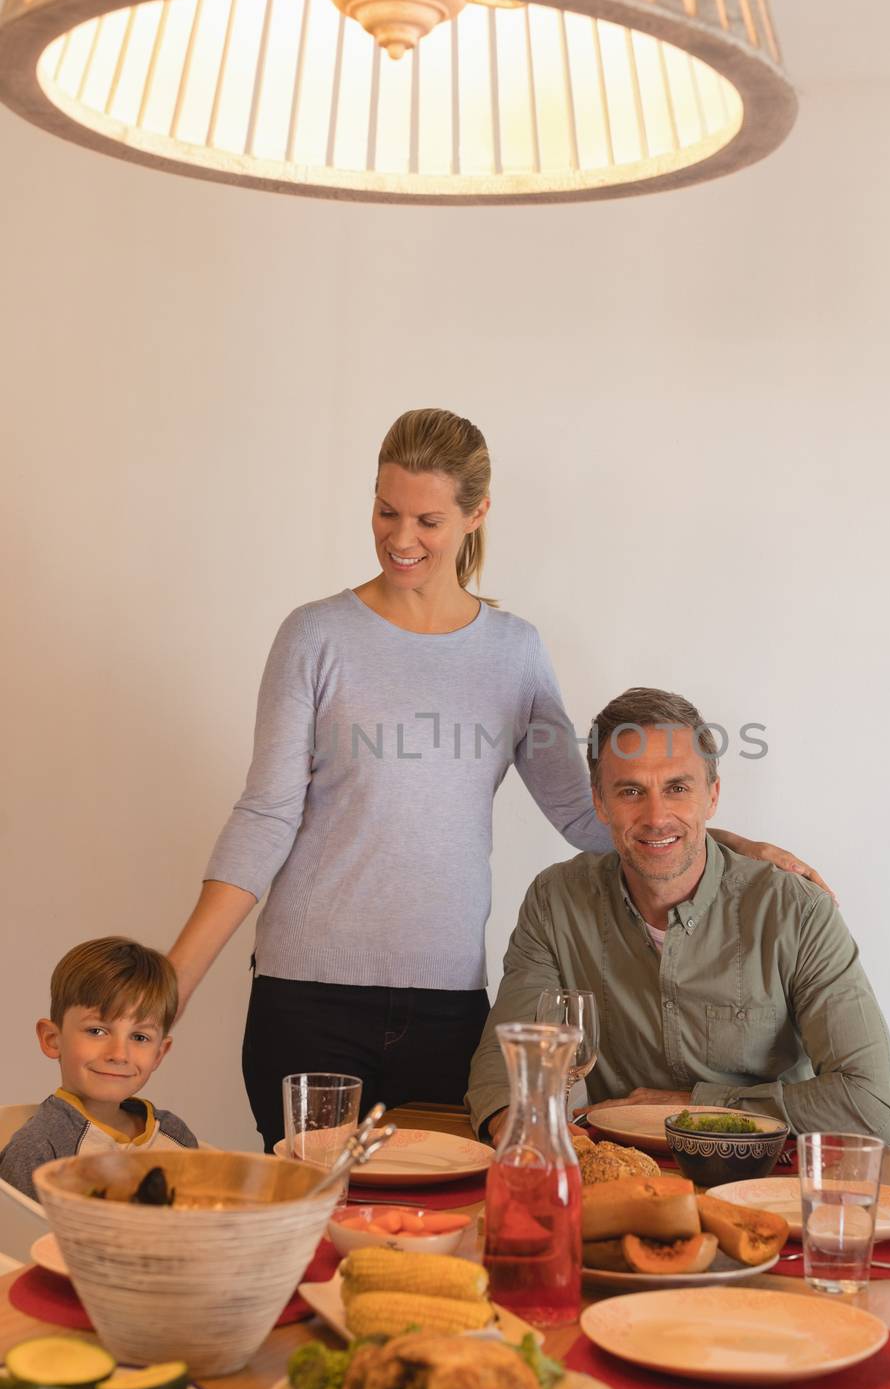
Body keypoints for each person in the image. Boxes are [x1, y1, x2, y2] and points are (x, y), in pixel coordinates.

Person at [168, 410, 827, 1150]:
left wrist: (737, 848)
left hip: (449, 1005)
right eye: (385, 511)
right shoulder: (315, 635)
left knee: (442, 1228)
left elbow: (589, 816)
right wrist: (175, 979)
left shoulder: (512, 653)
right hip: (306, 996)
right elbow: (266, 815)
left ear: (476, 513)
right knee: (314, 1228)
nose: (400, 537)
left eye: (427, 518)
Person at [467, 686, 890, 1143]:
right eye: (631, 790)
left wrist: (691, 1107)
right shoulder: (555, 902)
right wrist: (523, 1130)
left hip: (769, 1180)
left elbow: (871, 1103)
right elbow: (506, 1062)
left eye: (677, 788)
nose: (657, 816)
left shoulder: (797, 912)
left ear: (711, 796)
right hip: (621, 1178)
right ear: (599, 802)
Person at [0, 937, 198, 1201]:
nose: (118, 1054)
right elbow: (20, 1240)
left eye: (139, 1037)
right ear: (52, 1039)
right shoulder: (38, 1150)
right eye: (97, 1031)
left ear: (159, 1053)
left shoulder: (175, 1135)